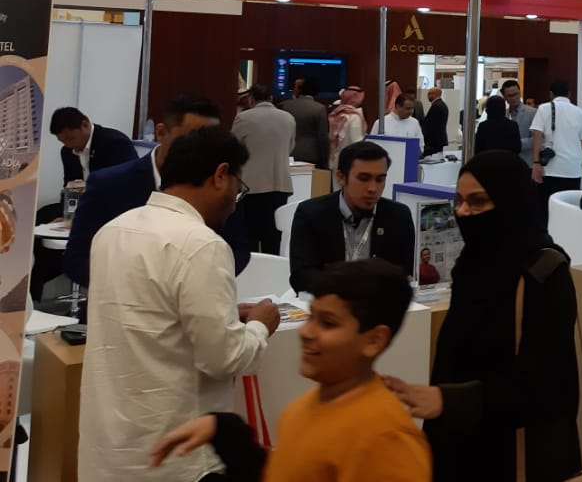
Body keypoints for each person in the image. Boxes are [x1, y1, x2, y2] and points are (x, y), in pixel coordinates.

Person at [79, 126, 280, 482]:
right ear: (221, 175)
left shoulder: (113, 231)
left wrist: (221, 316)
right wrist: (260, 325)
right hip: (178, 455)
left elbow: (151, 319)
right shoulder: (202, 244)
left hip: (107, 450)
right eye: (239, 187)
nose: (235, 202)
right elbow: (226, 358)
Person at [385, 150, 582, 482]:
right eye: (459, 201)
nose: (463, 212)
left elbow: (546, 385)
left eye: (477, 202)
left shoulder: (543, 272)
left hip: (512, 455)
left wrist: (449, 400)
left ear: (510, 202)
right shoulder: (471, 264)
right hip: (459, 446)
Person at [149, 259, 432, 482]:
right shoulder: (303, 409)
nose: (306, 332)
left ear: (374, 340)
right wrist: (224, 431)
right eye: (311, 317)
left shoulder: (386, 438)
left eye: (328, 323)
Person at [65, 93, 251, 288]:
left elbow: (238, 249)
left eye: (209, 145)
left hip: (197, 298)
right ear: (161, 133)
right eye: (188, 139)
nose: (199, 151)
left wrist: (204, 280)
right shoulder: (109, 184)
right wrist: (144, 288)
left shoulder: (219, 187)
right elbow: (77, 260)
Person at [289, 141, 415, 294]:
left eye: (380, 179)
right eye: (363, 178)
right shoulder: (311, 214)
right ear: (341, 177)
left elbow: (404, 273)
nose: (372, 188)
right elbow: (301, 276)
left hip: (379, 304)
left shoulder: (398, 216)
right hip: (330, 302)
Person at [232, 83, 296, 254]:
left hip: (252, 185)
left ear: (251, 98)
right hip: (280, 183)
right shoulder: (288, 118)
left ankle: (252, 267)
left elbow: (233, 148)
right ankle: (272, 265)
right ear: (271, 97)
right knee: (274, 234)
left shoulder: (244, 118)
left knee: (250, 234)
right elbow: (290, 147)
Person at [530, 80, 582, 225]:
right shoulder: (579, 112)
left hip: (550, 170)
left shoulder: (543, 109)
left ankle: (548, 236)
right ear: (569, 94)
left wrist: (536, 162)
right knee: (569, 210)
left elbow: (537, 135)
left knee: (547, 210)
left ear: (551, 94)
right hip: (572, 169)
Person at [50, 106, 135, 185]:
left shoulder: (115, 143)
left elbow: (131, 181)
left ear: (85, 125)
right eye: (62, 141)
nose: (68, 145)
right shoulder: (67, 151)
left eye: (71, 139)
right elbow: (69, 185)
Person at [280, 78, 330, 168]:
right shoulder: (319, 108)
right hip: (310, 154)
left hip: (286, 152)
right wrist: (325, 160)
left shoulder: (284, 105)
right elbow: (323, 137)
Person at [328, 86, 367, 168]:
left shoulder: (336, 113)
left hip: (335, 159)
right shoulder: (354, 117)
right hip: (349, 161)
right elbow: (356, 142)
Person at [500, 78, 536, 166]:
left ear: (520, 93)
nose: (514, 98)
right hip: (506, 162)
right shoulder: (503, 114)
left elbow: (537, 139)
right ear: (504, 97)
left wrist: (516, 143)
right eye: (510, 96)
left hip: (525, 162)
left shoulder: (532, 113)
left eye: (516, 94)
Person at [422, 86, 449, 156]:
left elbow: (431, 125)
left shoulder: (436, 106)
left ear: (436, 94)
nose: (428, 96)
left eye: (430, 93)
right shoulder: (442, 105)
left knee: (431, 160)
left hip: (433, 142)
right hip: (438, 140)